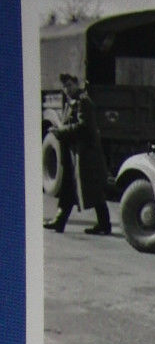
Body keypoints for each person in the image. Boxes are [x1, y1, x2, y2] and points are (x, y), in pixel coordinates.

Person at [44, 74, 111, 235]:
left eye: (69, 85)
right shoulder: (71, 102)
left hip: (86, 154)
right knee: (68, 188)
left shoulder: (83, 102)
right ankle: (59, 221)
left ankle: (104, 225)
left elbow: (83, 127)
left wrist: (60, 131)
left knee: (94, 192)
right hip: (75, 153)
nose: (67, 89)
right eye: (64, 86)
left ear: (76, 84)